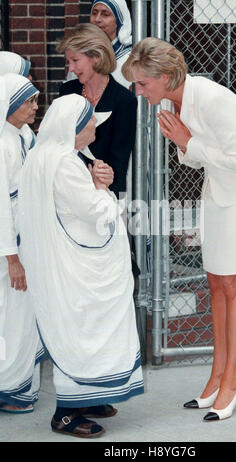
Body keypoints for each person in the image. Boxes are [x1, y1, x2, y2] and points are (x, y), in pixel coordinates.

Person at [122, 37, 236, 421]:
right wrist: (185, 143)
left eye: (142, 83)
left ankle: (231, 382)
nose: (138, 91)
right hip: (219, 191)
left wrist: (186, 140)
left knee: (232, 283)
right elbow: (196, 160)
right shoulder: (177, 100)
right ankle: (216, 378)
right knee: (215, 281)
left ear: (165, 76)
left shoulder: (212, 98)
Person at [18, 94, 144, 438]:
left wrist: (95, 183)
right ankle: (66, 413)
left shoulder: (48, 157)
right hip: (76, 265)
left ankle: (90, 396)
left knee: (85, 326)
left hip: (66, 260)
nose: (94, 126)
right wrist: (104, 189)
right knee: (82, 330)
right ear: (74, 126)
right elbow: (95, 211)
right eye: (90, 121)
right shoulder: (64, 163)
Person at [0, 73, 45, 414]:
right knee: (11, 316)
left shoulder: (25, 135)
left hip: (28, 239)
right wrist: (12, 258)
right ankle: (8, 386)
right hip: (9, 248)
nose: (35, 106)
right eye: (29, 101)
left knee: (23, 315)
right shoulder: (2, 143)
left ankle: (18, 383)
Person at [57, 23, 137, 200]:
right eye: (68, 62)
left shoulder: (124, 100)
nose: (70, 68)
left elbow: (119, 160)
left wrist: (106, 199)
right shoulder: (66, 92)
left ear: (97, 57)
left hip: (105, 193)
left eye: (75, 61)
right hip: (67, 189)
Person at [67, 0, 132, 88]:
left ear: (119, 20)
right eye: (94, 13)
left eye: (105, 14)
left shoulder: (130, 58)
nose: (97, 19)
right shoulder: (80, 54)